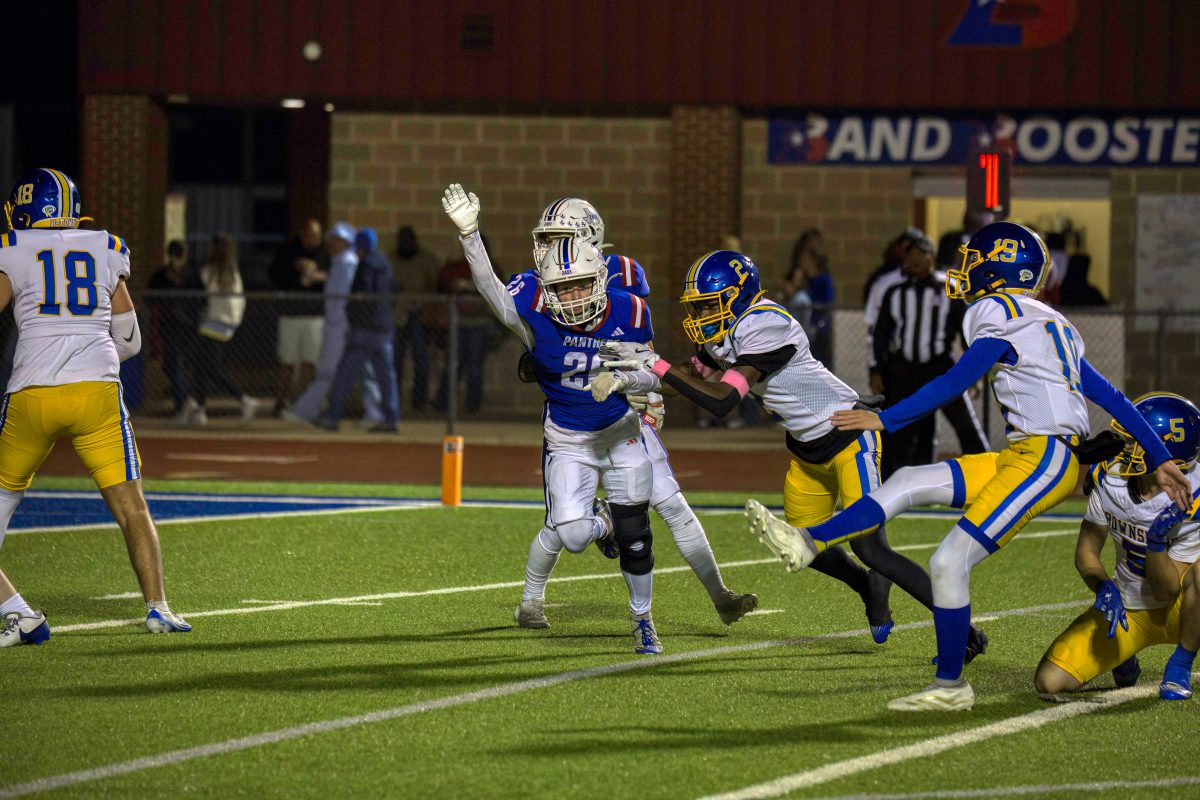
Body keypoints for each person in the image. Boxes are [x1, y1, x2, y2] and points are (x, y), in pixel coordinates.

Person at [738, 221, 1191, 711]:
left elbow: (956, 381)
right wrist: (1161, 456)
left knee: (949, 560)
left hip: (1044, 459)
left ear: (998, 269)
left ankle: (951, 684)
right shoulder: (1051, 322)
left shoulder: (998, 311)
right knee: (908, 479)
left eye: (974, 261)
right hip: (1027, 455)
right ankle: (810, 540)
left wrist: (885, 419)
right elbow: (1114, 398)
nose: (964, 269)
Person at [594, 249, 980, 650]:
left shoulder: (766, 324)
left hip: (848, 435)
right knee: (804, 545)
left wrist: (656, 365)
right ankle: (869, 588)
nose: (703, 313)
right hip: (806, 450)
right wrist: (635, 374)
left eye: (710, 303)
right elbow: (692, 374)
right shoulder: (729, 329)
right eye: (699, 305)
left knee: (870, 547)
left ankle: (964, 632)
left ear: (739, 296)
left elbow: (723, 400)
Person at [442, 183, 665, 655]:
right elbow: (492, 292)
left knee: (637, 537)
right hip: (567, 437)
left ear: (600, 275)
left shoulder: (629, 307)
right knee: (573, 535)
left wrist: (628, 381)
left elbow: (653, 373)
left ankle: (642, 619)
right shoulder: (534, 306)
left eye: (581, 284)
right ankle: (600, 524)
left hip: (621, 432)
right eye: (563, 288)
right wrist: (470, 235)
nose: (574, 296)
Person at [517, 198, 757, 627]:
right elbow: (531, 352)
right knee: (563, 524)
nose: (548, 248)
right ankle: (532, 599)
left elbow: (640, 345)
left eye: (558, 237)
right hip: (576, 418)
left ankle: (721, 595)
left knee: (672, 503)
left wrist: (649, 392)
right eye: (546, 238)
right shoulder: (536, 285)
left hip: (623, 408)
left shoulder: (625, 273)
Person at [0, 168, 191, 647]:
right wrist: (87, 353)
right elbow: (130, 340)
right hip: (97, 394)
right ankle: (159, 608)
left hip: (33, 395)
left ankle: (16, 612)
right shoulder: (105, 247)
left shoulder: (13, 247)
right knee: (132, 508)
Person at [1035, 393, 1200, 702]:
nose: (1125, 447)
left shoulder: (1193, 494)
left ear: (1168, 452)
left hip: (1183, 612)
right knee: (1049, 681)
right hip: (1129, 609)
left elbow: (1166, 591)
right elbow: (1086, 551)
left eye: (1136, 440)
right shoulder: (1110, 479)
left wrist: (1156, 541)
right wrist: (1103, 586)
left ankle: (1181, 662)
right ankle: (1125, 656)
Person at [873, 237, 986, 476]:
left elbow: (965, 330)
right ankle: (886, 479)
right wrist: (877, 370)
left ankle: (986, 473)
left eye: (919, 253)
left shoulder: (949, 287)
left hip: (940, 366)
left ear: (931, 256)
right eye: (909, 254)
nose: (913, 259)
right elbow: (881, 334)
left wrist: (972, 372)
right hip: (904, 369)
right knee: (894, 426)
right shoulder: (895, 292)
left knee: (966, 425)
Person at [286, 222, 383, 426]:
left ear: (346, 242)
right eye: (332, 238)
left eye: (337, 239)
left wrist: (345, 324)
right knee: (360, 369)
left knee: (330, 371)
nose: (332, 242)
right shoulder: (339, 263)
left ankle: (304, 411)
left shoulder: (347, 263)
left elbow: (346, 297)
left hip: (341, 326)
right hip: (338, 325)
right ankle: (374, 412)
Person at [323, 228, 400, 432]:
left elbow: (361, 296)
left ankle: (332, 417)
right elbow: (394, 293)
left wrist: (353, 317)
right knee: (386, 378)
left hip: (364, 330)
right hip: (383, 329)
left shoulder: (365, 265)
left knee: (344, 375)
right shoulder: (386, 265)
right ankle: (391, 419)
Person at [188, 235, 260, 427]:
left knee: (209, 366)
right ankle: (200, 409)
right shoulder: (232, 273)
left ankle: (243, 399)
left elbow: (203, 294)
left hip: (214, 321)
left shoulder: (210, 271)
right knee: (202, 365)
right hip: (228, 322)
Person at [269, 218, 328, 414]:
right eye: (309, 235)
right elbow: (275, 274)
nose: (313, 239)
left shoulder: (324, 254)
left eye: (316, 236)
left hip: (314, 315)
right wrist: (296, 269)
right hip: (291, 314)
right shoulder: (287, 251)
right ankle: (282, 399)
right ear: (302, 234)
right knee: (287, 360)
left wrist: (315, 275)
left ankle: (305, 401)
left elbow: (330, 278)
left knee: (310, 362)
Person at [147, 239, 203, 423]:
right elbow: (150, 297)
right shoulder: (163, 275)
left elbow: (201, 299)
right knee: (170, 365)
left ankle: (183, 404)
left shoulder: (190, 275)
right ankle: (186, 402)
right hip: (170, 325)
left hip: (184, 326)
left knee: (176, 363)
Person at [393, 225, 441, 411]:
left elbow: (434, 288)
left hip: (419, 315)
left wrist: (429, 311)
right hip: (398, 314)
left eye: (408, 240)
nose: (405, 244)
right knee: (395, 359)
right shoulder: (392, 260)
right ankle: (394, 401)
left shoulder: (426, 260)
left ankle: (419, 401)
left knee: (421, 359)